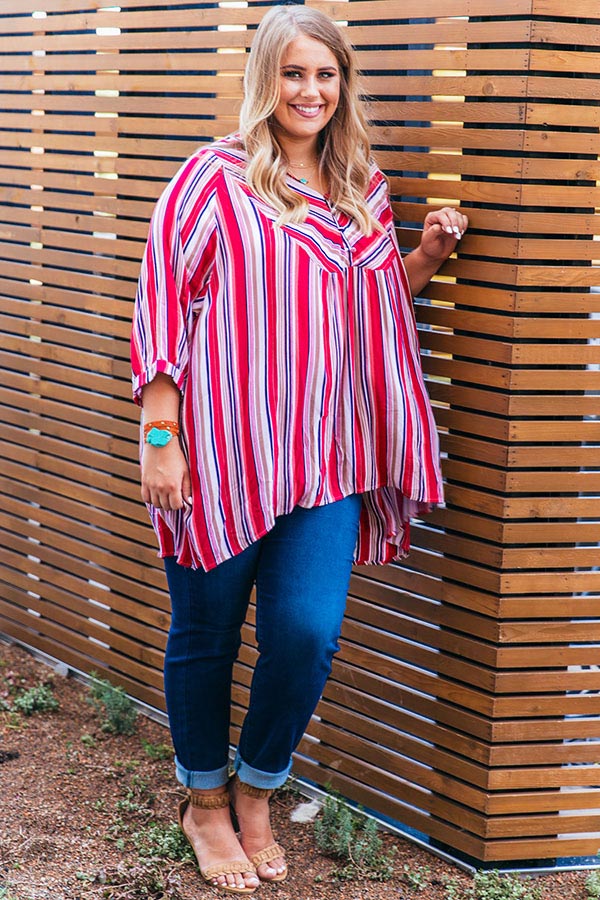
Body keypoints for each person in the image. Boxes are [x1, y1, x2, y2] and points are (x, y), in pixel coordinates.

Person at [131, 4, 467, 895]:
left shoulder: (362, 188)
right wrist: (160, 438)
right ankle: (205, 805)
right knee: (206, 633)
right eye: (293, 73)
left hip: (325, 458)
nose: (310, 91)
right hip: (222, 454)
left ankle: (256, 791)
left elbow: (369, 305)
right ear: (265, 79)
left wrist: (425, 257)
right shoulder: (213, 179)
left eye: (325, 74)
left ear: (343, 84)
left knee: (307, 634)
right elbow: (162, 303)